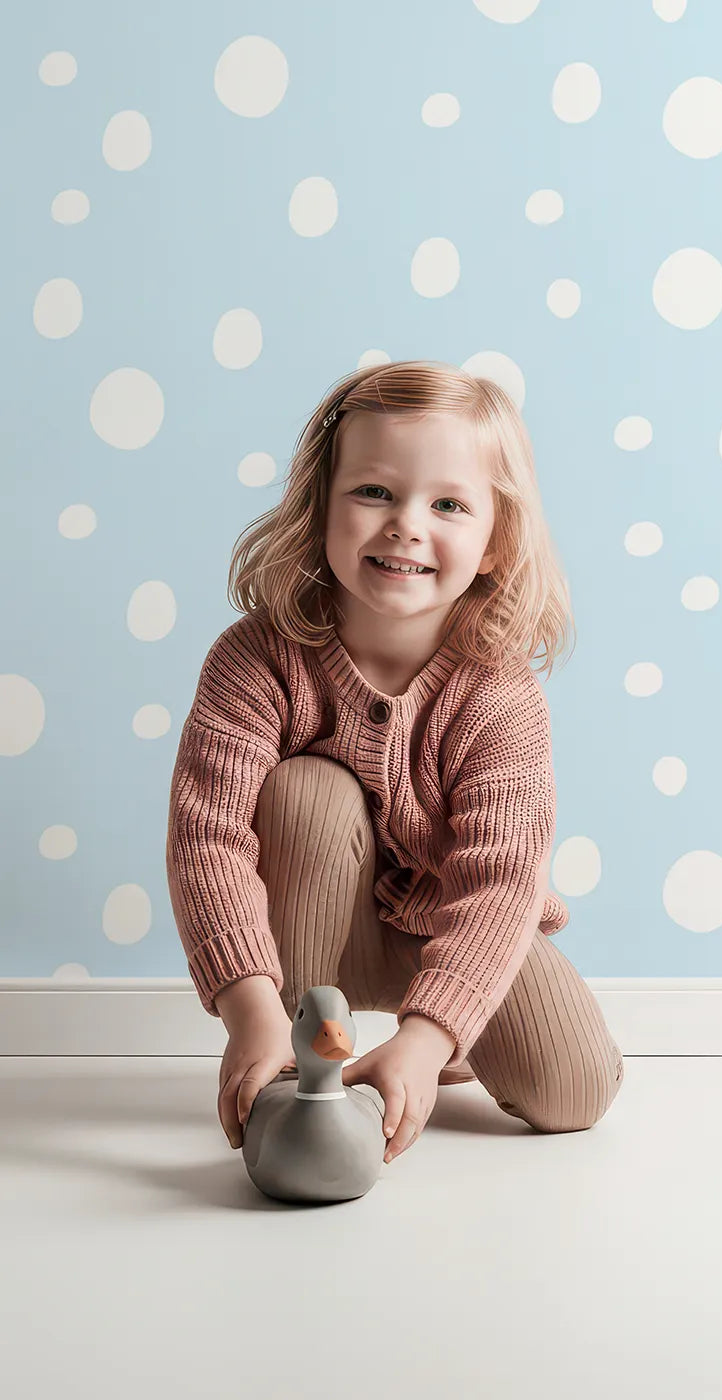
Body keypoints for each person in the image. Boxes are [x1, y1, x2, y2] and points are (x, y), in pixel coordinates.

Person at [166, 360, 624, 1167]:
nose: (406, 525)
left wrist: (429, 1034)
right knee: (307, 790)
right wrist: (251, 1013)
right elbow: (209, 838)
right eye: (374, 492)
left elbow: (501, 881)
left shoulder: (497, 693)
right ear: (320, 507)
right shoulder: (256, 658)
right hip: (314, 924)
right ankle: (303, 1063)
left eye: (448, 504)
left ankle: (434, 1045)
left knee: (574, 1093)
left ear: (494, 541)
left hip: (452, 925)